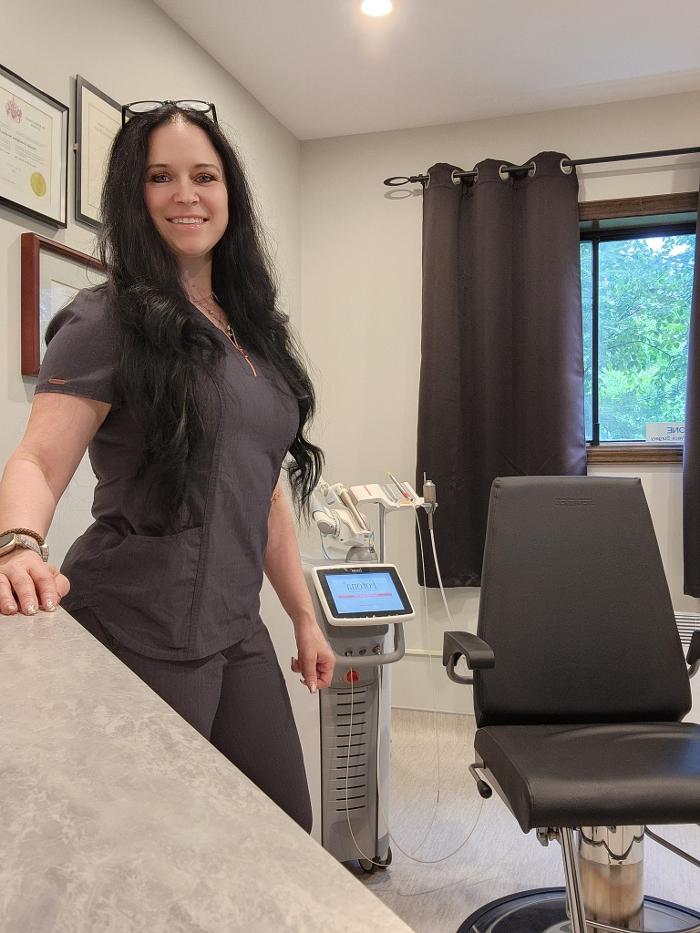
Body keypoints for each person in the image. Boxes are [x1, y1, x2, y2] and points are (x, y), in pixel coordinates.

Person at [0, 100, 335, 831]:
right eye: (161, 177)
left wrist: (303, 617)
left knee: (283, 826)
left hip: (234, 625)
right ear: (134, 193)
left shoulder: (255, 330)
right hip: (137, 620)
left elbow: (263, 489)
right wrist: (18, 544)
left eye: (204, 176)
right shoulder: (107, 319)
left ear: (230, 194)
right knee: (148, 840)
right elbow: (39, 459)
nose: (186, 194)